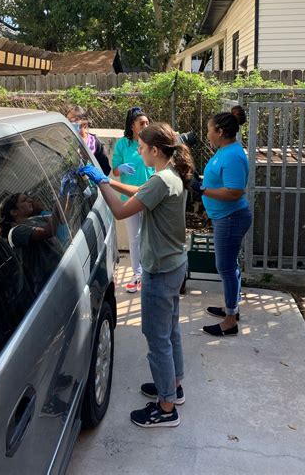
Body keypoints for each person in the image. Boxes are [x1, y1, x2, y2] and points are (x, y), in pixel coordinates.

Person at [79, 122, 194, 428]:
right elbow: (141, 193)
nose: (139, 151)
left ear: (154, 150)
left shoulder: (162, 180)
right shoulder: (169, 175)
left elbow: (120, 211)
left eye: (142, 148)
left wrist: (101, 184)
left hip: (160, 270)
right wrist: (109, 180)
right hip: (174, 264)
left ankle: (166, 407)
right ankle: (174, 386)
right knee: (170, 330)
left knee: (157, 338)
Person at [194, 106, 252, 337]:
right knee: (230, 267)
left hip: (231, 218)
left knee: (225, 268)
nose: (207, 134)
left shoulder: (234, 156)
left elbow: (234, 192)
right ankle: (232, 308)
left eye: (209, 130)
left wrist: (203, 190)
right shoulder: (225, 150)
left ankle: (230, 321)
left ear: (219, 131)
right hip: (225, 218)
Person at [112, 106, 154, 292]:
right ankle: (137, 274)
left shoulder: (152, 142)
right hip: (130, 197)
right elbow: (114, 171)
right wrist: (121, 167)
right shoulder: (122, 144)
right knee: (134, 237)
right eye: (141, 123)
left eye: (147, 122)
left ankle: (149, 272)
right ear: (132, 126)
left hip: (150, 194)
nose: (145, 125)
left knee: (151, 235)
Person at [0, 192, 68, 294]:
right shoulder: (15, 232)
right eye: (24, 200)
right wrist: (57, 205)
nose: (30, 200)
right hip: (49, 283)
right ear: (14, 212)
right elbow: (48, 232)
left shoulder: (34, 220)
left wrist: (67, 194)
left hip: (61, 271)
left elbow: (61, 217)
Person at [66, 105, 111, 176]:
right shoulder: (67, 141)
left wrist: (94, 176)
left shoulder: (96, 144)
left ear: (84, 123)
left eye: (72, 120)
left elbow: (105, 170)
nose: (69, 123)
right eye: (67, 120)